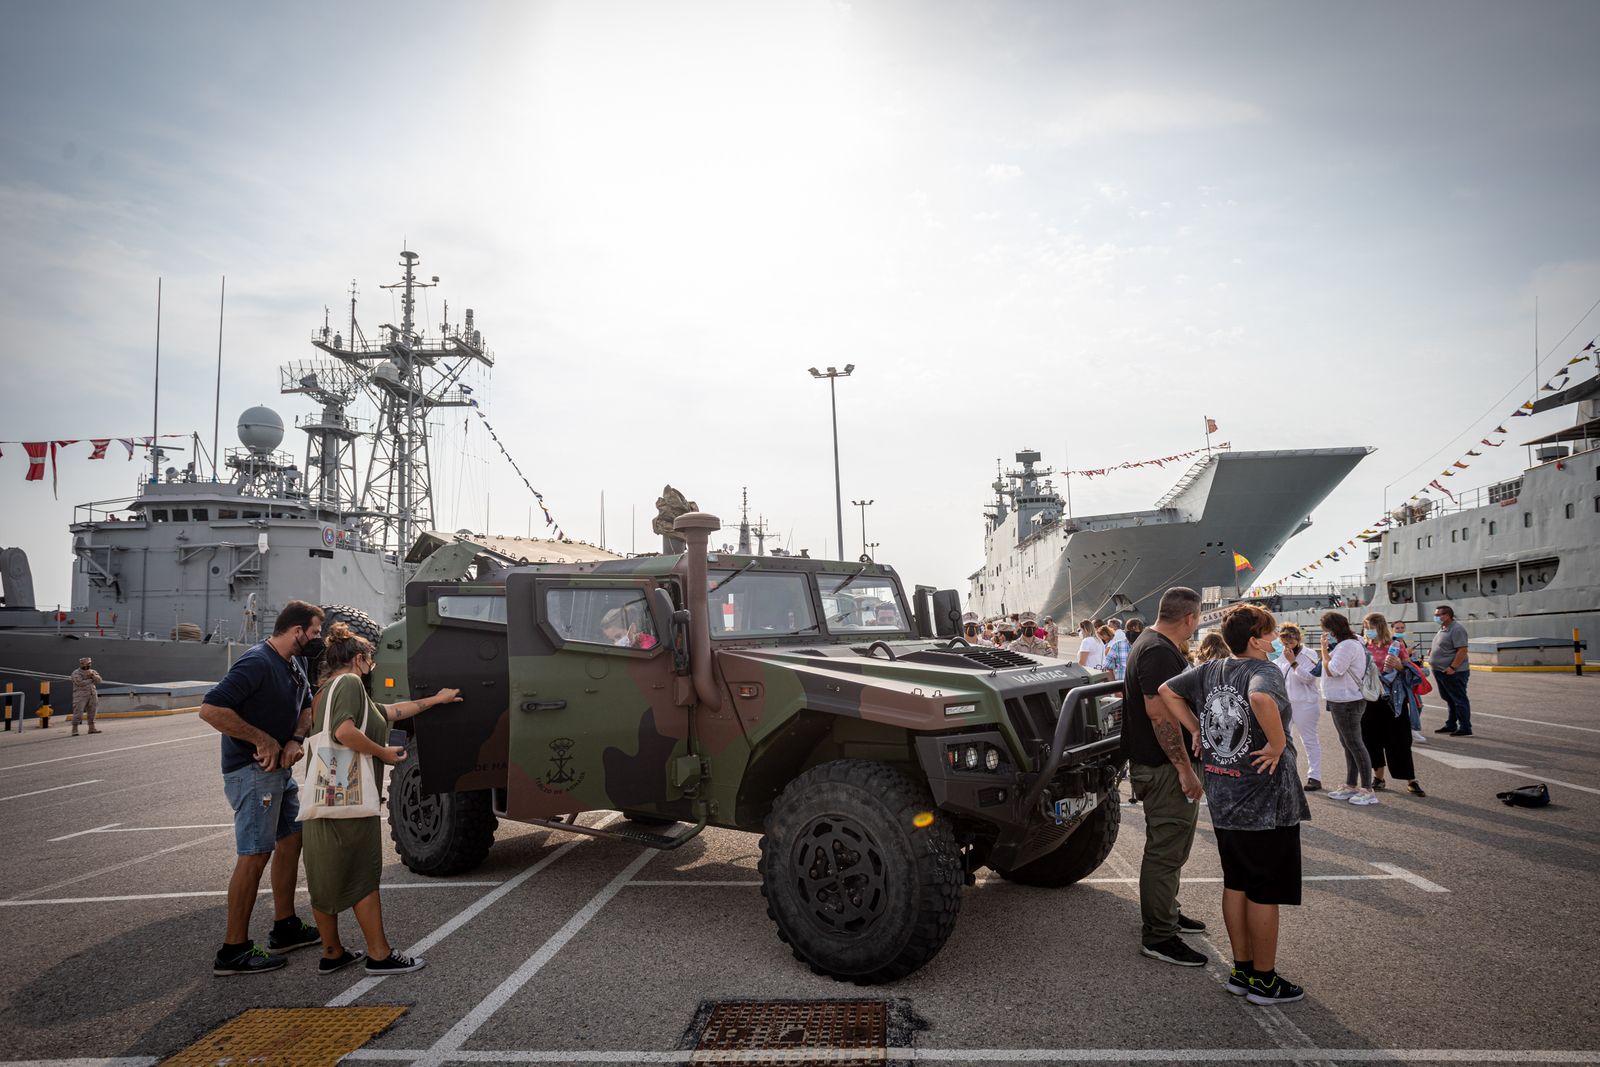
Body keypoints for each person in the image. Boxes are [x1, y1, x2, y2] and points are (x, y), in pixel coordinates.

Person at [1157, 603, 1310, 1006]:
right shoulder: (1265, 671)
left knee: (1237, 882)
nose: (1276, 638)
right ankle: (1264, 979)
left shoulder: (1212, 668)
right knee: (1265, 890)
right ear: (1256, 640)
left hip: (1224, 793)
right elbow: (1260, 698)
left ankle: (1241, 970)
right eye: (1271, 632)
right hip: (1263, 798)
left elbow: (1167, 691)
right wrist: (1277, 745)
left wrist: (1196, 730)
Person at [301, 623, 462, 975]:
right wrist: (382, 753)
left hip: (324, 799)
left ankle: (332, 952)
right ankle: (379, 953)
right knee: (362, 875)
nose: (372, 665)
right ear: (359, 659)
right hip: (349, 801)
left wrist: (435, 700)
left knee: (325, 878)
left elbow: (389, 712)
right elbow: (344, 732)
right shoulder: (350, 684)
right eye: (370, 659)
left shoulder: (326, 690)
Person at [198, 600, 325, 975]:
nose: (316, 640)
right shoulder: (257, 662)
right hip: (252, 773)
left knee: (291, 840)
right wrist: (264, 740)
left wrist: (295, 740)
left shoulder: (296, 664)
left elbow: (305, 706)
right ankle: (233, 950)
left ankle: (284, 926)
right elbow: (211, 709)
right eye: (314, 632)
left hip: (279, 773)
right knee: (255, 854)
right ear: (296, 630)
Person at [1122, 586, 1208, 967]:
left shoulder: (1150, 641)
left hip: (1161, 766)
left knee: (1173, 847)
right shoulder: (1158, 651)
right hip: (1163, 769)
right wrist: (1185, 770)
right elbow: (1159, 715)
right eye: (1199, 617)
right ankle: (1159, 934)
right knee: (1166, 849)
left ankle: (1167, 911)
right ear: (1190, 618)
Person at [1361, 614, 1426, 797]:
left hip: (1393, 701)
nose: (1367, 630)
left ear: (1379, 626)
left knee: (1400, 740)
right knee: (1371, 739)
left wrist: (1399, 666)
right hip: (1370, 700)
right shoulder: (1364, 646)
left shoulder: (1396, 646)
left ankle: (1411, 779)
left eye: (1370, 626)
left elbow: (1411, 673)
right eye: (1365, 627)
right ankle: (1378, 777)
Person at [1320, 612, 1378, 806]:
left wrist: (1324, 650)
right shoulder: (1353, 642)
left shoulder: (1346, 646)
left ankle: (1367, 789)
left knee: (1355, 744)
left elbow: (1333, 670)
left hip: (1347, 702)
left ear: (1333, 629)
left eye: (1327, 630)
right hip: (1342, 700)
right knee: (1348, 744)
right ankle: (1351, 784)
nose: (1326, 634)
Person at [1276, 624, 1323, 791]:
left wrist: (1293, 662)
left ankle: (1314, 777)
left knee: (1309, 740)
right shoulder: (1280, 656)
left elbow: (1309, 678)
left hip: (1305, 703)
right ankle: (1287, 775)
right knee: (1284, 741)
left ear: (1297, 640)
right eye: (1284, 642)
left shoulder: (1308, 654)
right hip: (1286, 704)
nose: (1287, 645)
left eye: (1290, 641)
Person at [1430, 605, 1472, 736]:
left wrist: (1453, 667)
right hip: (1440, 671)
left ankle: (1465, 727)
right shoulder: (1443, 628)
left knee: (1459, 700)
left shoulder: (1457, 629)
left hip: (1453, 672)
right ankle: (1451, 724)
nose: (1436, 617)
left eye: (1438, 615)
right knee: (1449, 699)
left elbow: (1462, 650)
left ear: (1447, 615)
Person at [1391, 620, 1425, 741]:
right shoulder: (1393, 642)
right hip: (1400, 678)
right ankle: (1411, 729)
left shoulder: (1401, 641)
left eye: (1402, 628)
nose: (1400, 630)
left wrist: (1412, 658)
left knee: (1417, 704)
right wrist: (1407, 653)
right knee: (1414, 704)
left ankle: (1410, 729)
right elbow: (1393, 659)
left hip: (1407, 676)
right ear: (1392, 630)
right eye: (1397, 628)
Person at [69, 657, 103, 736]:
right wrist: (91, 680)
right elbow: (79, 683)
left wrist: (93, 676)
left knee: (92, 712)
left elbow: (99, 680)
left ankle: (92, 728)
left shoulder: (93, 671)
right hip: (80, 695)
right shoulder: (76, 673)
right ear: (82, 664)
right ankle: (75, 729)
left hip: (92, 694)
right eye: (87, 663)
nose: (89, 665)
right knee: (78, 712)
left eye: (90, 663)